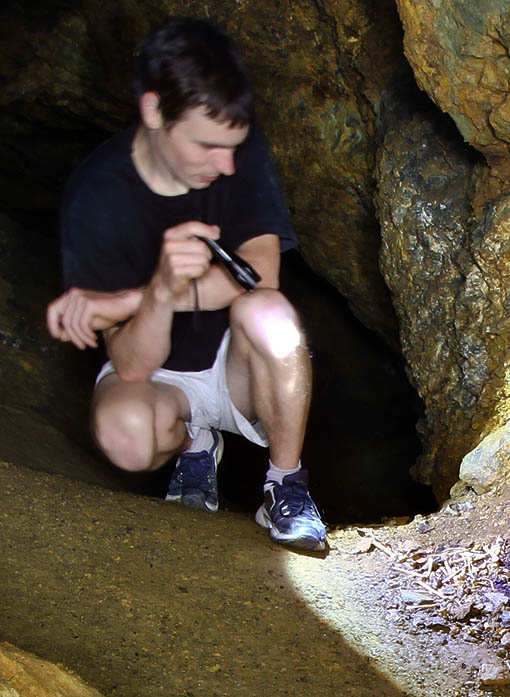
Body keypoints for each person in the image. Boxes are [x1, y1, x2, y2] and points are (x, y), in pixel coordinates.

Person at [45, 17, 327, 551]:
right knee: (125, 432)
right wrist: (159, 292)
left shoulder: (235, 150)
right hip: (158, 375)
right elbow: (130, 365)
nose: (224, 165)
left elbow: (261, 275)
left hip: (236, 368)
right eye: (205, 146)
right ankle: (195, 447)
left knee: (271, 314)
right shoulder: (97, 197)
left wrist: (126, 300)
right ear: (154, 111)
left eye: (233, 147)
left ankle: (284, 485)